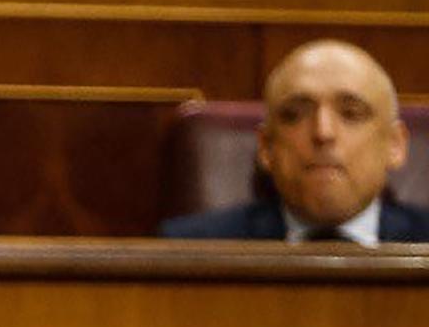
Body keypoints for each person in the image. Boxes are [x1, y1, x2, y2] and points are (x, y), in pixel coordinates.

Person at [161, 40, 428, 244]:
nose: (323, 132)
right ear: (266, 147)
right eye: (295, 115)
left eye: (351, 114)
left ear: (395, 145)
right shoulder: (192, 248)